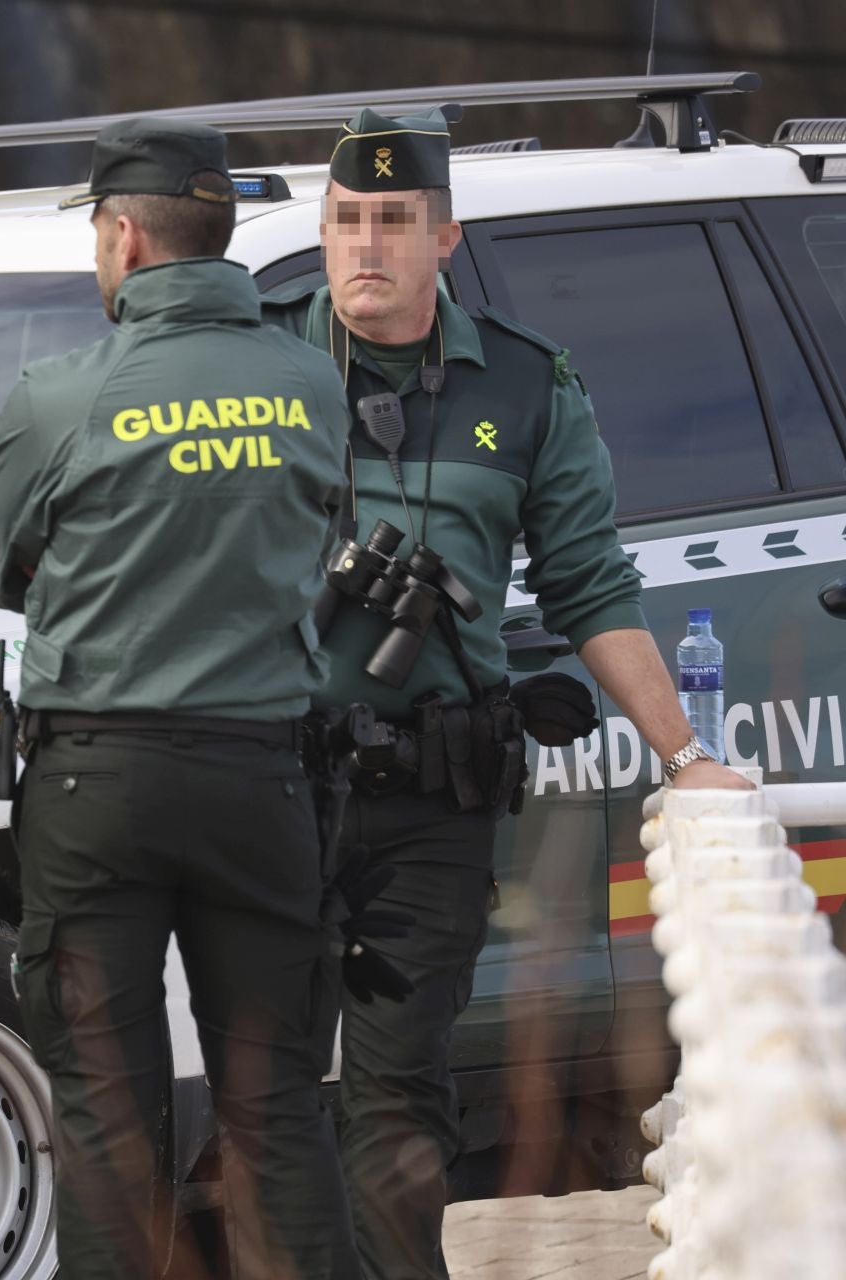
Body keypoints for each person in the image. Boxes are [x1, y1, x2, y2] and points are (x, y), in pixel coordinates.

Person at [260, 108, 752, 1280]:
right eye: (345, 222)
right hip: (268, 789)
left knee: (396, 1098)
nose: (364, 247)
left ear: (447, 238)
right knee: (266, 1091)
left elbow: (593, 585)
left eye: (393, 222)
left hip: (432, 802)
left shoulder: (525, 386)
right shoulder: (260, 361)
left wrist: (686, 756)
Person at [0, 119, 360, 1280]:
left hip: (97, 786)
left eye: (98, 239)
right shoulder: (310, 379)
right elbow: (314, 535)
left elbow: (4, 570)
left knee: (104, 1110)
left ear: (125, 236)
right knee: (278, 1100)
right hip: (262, 775)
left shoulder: (58, 394)